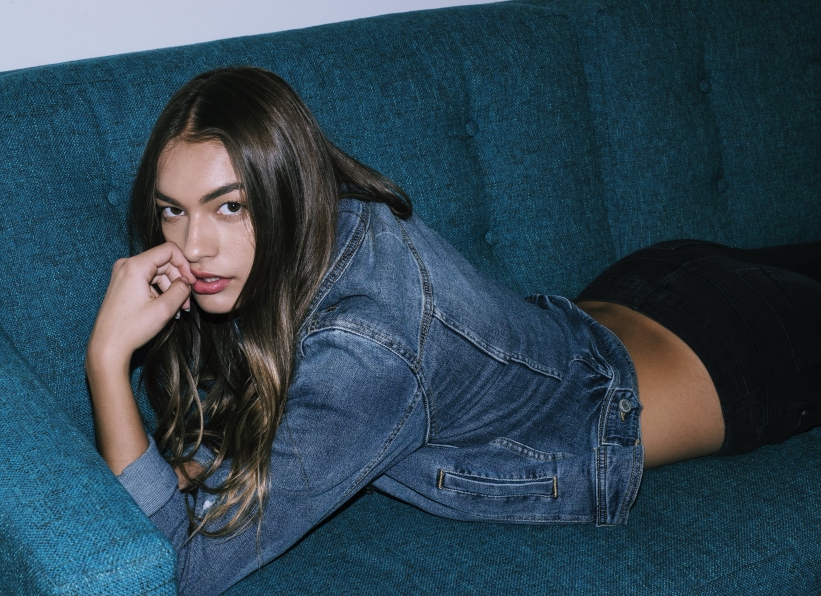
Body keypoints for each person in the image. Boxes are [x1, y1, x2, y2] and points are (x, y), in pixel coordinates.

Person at [86, 66, 821, 595]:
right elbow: (227, 452)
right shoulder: (320, 231)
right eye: (173, 209)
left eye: (230, 206)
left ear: (287, 188)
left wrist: (108, 360)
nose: (193, 246)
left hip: (733, 353)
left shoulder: (368, 355)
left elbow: (182, 569)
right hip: (647, 288)